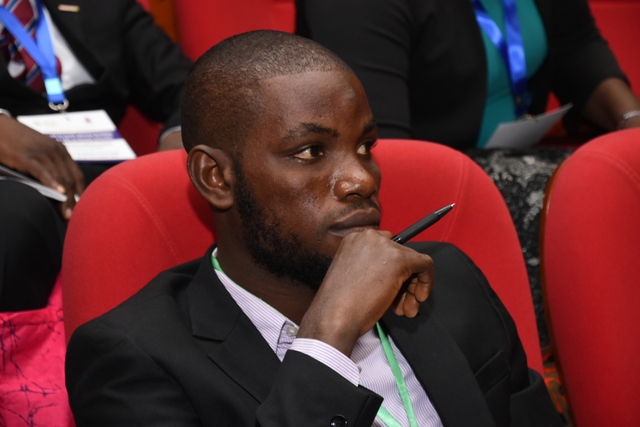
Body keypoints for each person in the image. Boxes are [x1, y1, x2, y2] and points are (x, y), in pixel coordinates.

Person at [65, 31, 562, 427]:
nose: (361, 179)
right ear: (216, 178)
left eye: (365, 147)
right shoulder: (134, 360)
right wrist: (328, 335)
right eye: (310, 152)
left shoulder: (445, 279)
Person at [0, 0, 192, 311]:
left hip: (103, 172)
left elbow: (189, 85)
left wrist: (178, 137)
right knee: (13, 216)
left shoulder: (103, 6)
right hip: (12, 181)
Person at [296, 0, 640, 149]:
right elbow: (387, 153)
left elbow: (576, 47)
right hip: (425, 184)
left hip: (515, 155)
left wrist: (633, 123)